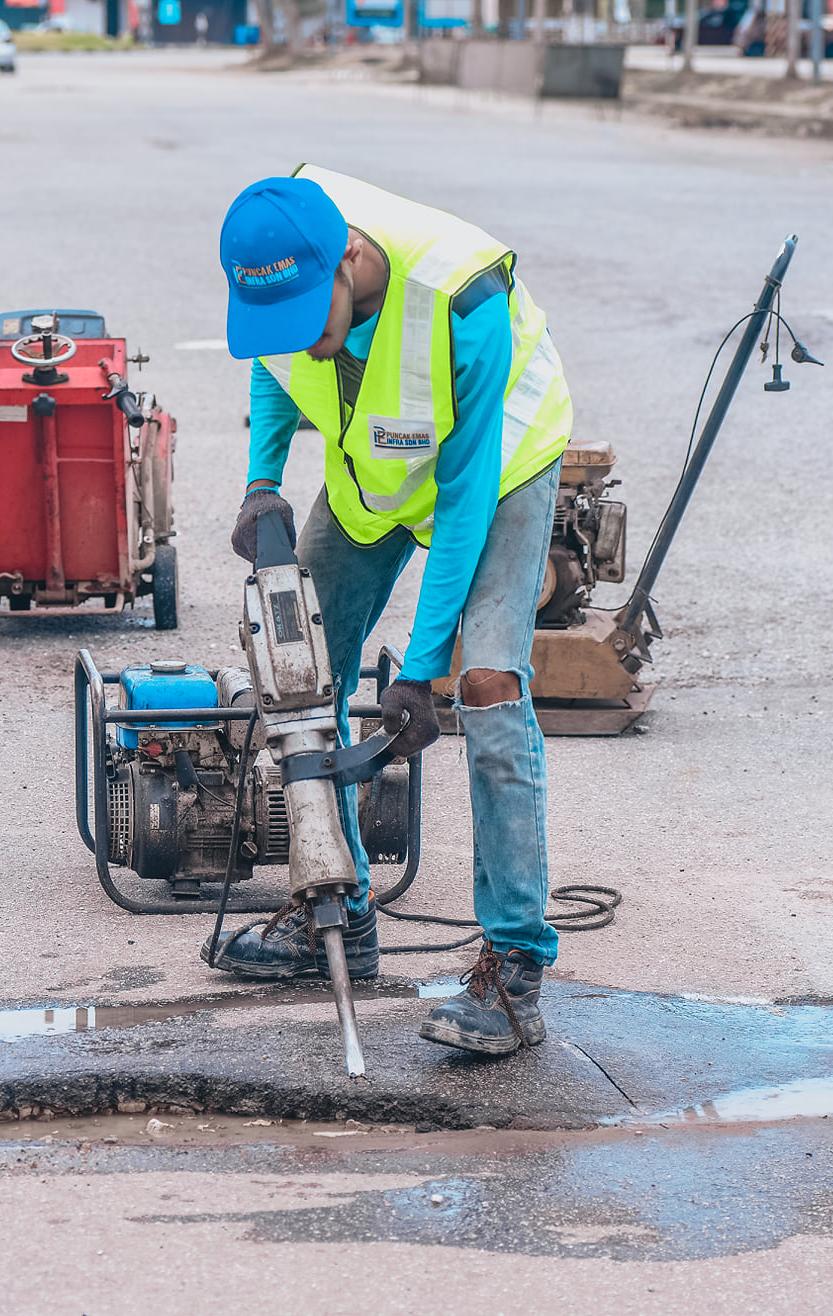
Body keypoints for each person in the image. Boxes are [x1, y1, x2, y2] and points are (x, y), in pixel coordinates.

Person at [204, 166, 573, 1056]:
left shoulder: (462, 298)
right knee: (299, 672)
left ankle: (514, 968)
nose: (308, 345)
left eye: (313, 323)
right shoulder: (284, 239)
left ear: (352, 261)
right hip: (376, 471)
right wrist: (262, 481)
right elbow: (277, 366)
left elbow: (464, 495)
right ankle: (338, 907)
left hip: (500, 465)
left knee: (487, 687)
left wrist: (420, 669)